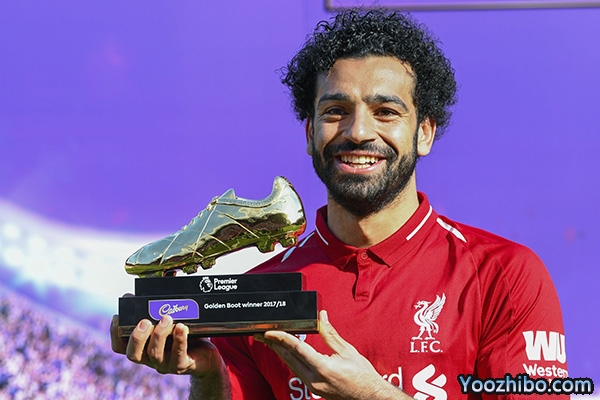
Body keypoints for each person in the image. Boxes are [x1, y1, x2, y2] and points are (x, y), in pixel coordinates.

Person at [111, 9, 568, 399]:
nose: (358, 132)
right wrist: (209, 376)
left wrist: (372, 395)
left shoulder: (505, 275)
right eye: (336, 111)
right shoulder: (255, 295)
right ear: (311, 133)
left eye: (385, 112)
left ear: (424, 133)